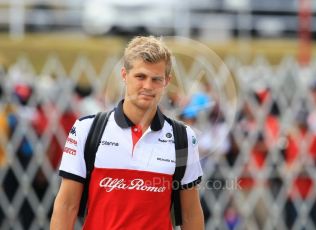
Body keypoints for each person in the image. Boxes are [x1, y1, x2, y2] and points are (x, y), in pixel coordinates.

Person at [50, 36, 204, 230]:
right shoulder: (86, 130)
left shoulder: (183, 138)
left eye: (156, 79)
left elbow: (191, 213)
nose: (148, 86)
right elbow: (66, 206)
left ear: (167, 82)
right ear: (124, 75)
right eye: (140, 77)